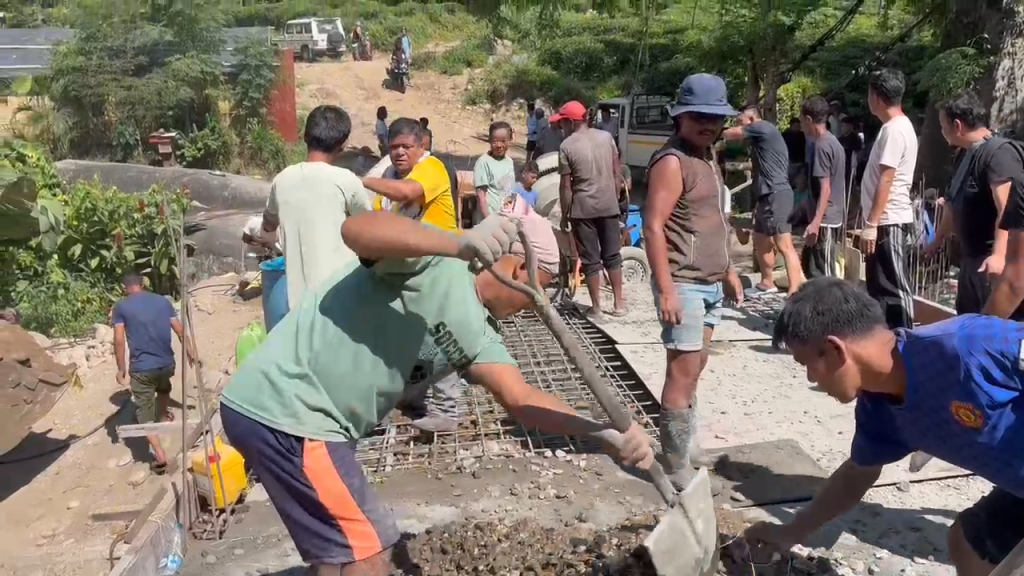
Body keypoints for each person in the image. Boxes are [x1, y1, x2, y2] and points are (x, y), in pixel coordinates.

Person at [219, 211, 649, 576]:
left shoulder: (482, 333)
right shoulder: (434, 262)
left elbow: (521, 399)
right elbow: (355, 229)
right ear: (518, 269)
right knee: (370, 552)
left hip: (303, 421)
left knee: (339, 550)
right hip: (291, 407)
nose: (534, 305)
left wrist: (603, 432)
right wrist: (459, 242)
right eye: (539, 289)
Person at [743, 277, 1024, 576]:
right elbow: (854, 477)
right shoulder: (878, 409)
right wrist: (791, 531)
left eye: (807, 365)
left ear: (835, 349)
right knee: (970, 544)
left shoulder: (968, 344)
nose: (811, 379)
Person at [644, 74, 744, 497]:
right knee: (681, 372)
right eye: (699, 117)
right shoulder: (672, 162)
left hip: (709, 282)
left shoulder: (707, 157)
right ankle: (675, 465)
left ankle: (687, 446)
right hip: (683, 282)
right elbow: (652, 226)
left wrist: (729, 269)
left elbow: (714, 221)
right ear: (680, 117)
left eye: (715, 118)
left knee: (696, 365)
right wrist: (666, 289)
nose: (708, 124)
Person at [925, 91, 1024, 319]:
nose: (941, 131)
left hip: (990, 262)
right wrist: (936, 241)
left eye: (942, 125)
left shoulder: (997, 153)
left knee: (990, 326)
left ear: (957, 125)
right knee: (967, 320)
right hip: (970, 259)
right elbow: (952, 203)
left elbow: (1008, 208)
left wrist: (999, 255)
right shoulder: (964, 155)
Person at [262, 105, 371, 310]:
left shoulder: (282, 179)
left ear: (305, 136)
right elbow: (369, 228)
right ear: (343, 144)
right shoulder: (347, 181)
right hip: (342, 301)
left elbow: (268, 224)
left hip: (299, 308)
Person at [113, 273, 196, 474]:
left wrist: (121, 368)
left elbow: (119, 340)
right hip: (166, 363)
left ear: (124, 288)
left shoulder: (121, 307)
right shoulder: (162, 301)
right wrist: (191, 351)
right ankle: (162, 415)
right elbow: (179, 330)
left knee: (143, 409)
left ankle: (159, 455)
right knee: (163, 387)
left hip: (142, 368)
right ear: (142, 284)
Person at [555, 100, 626, 320]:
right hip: (609, 206)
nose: (561, 127)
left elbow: (566, 187)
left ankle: (596, 308)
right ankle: (619, 304)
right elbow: (617, 174)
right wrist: (614, 200)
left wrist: (565, 215)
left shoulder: (566, 146)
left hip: (583, 210)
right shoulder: (606, 138)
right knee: (612, 255)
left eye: (562, 123)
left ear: (569, 122)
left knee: (591, 260)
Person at [722, 106, 804, 297]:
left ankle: (795, 291)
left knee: (784, 243)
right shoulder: (760, 139)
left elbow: (730, 134)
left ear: (751, 118)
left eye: (740, 121)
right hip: (765, 195)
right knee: (760, 238)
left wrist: (711, 127)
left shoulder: (762, 127)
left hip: (777, 193)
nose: (739, 125)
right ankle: (767, 282)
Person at [859, 68, 918, 329]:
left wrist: (872, 224)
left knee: (894, 288)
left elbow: (887, 179)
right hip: (883, 219)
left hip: (889, 220)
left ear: (877, 98)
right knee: (879, 289)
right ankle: (887, 342)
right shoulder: (893, 128)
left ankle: (906, 341)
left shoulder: (895, 130)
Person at [364, 118, 456, 233]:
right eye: (394, 147)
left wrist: (362, 181)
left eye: (406, 147)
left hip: (440, 243)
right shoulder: (388, 174)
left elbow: (406, 192)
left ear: (421, 147)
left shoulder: (432, 166)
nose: (399, 152)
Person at [799, 96, 846, 279]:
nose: (801, 125)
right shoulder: (833, 142)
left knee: (824, 274)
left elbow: (825, 187)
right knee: (810, 266)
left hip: (825, 219)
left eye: (802, 120)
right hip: (828, 216)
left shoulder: (821, 146)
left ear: (808, 119)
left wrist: (816, 223)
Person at [472, 121, 516, 223]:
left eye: (503, 141)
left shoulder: (509, 162)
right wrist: (489, 220)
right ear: (489, 141)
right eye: (495, 141)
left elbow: (510, 191)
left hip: (506, 217)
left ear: (510, 140)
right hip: (489, 220)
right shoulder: (483, 162)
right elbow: (481, 196)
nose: (499, 145)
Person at [782, 118, 807, 183]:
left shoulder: (802, 135)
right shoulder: (785, 135)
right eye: (795, 126)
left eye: (798, 126)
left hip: (800, 162)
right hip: (790, 161)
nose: (797, 128)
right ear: (791, 126)